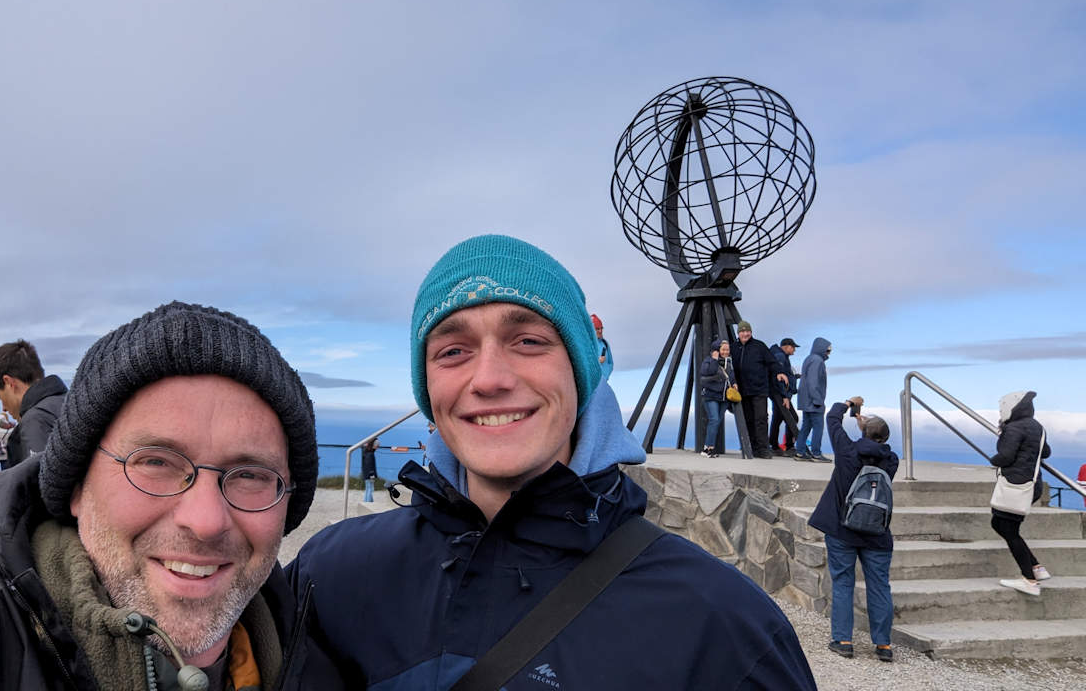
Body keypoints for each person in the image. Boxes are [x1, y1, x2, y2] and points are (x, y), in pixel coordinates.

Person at [290, 235, 816, 689]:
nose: (490, 378)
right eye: (453, 350)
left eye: (528, 341)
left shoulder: (723, 629)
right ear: (427, 386)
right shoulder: (331, 576)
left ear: (581, 369)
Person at [0, 301, 331, 690]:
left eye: (251, 475)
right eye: (154, 462)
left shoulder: (326, 653)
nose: (207, 519)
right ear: (77, 485)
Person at [807, 396, 898, 662]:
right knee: (880, 586)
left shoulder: (847, 451)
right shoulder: (891, 461)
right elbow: (876, 447)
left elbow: (832, 419)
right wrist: (868, 428)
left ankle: (843, 640)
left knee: (843, 583)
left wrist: (848, 404)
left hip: (841, 529)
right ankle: (883, 645)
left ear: (864, 432)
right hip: (877, 533)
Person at [991, 390, 1053, 596]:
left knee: (1008, 530)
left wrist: (995, 459)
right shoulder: (1037, 427)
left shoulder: (1014, 427)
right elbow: (1046, 452)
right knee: (999, 524)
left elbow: (1006, 456)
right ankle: (1036, 567)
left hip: (1016, 485)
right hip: (1031, 485)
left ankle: (1030, 580)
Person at [0, 339, 68, 469]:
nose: (4, 408)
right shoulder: (67, 403)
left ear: (9, 383)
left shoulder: (36, 420)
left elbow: (39, 483)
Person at [730, 320, 790, 459]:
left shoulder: (759, 346)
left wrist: (779, 372)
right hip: (743, 391)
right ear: (738, 333)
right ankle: (752, 447)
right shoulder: (734, 348)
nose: (745, 334)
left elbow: (772, 362)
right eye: (742, 331)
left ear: (751, 332)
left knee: (761, 419)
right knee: (748, 420)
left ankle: (763, 449)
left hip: (759, 390)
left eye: (747, 331)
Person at [795, 337, 833, 463]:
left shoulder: (809, 359)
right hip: (813, 401)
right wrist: (818, 400)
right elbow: (813, 382)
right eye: (827, 350)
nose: (828, 353)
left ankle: (800, 452)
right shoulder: (818, 361)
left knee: (806, 426)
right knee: (818, 427)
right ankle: (816, 453)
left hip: (806, 401)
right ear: (822, 349)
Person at [698, 339, 737, 457]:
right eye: (723, 349)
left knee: (716, 422)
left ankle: (709, 447)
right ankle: (708, 448)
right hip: (711, 396)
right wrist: (714, 359)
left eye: (727, 349)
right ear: (716, 350)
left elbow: (731, 376)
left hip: (724, 397)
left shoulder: (728, 362)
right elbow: (707, 372)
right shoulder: (709, 361)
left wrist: (734, 383)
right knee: (714, 420)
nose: (726, 352)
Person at [769, 338, 801, 457]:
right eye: (793, 347)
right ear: (786, 346)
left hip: (778, 393)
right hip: (780, 394)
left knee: (777, 419)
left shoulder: (780, 356)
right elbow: (779, 377)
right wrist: (785, 396)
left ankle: (774, 445)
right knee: (793, 417)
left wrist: (794, 377)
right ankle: (789, 446)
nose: (794, 350)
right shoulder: (780, 357)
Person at [590, 312, 614, 380]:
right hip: (593, 385)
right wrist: (598, 362)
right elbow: (584, 367)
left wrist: (606, 375)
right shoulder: (588, 345)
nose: (600, 331)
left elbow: (611, 363)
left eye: (601, 328)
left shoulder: (605, 343)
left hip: (604, 383)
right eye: (597, 329)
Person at [360, 436, 379, 502]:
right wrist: (372, 476)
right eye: (377, 445)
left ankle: (368, 501)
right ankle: (368, 502)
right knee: (370, 488)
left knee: (368, 488)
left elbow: (362, 446)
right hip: (369, 474)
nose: (377, 447)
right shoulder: (370, 454)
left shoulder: (365, 452)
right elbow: (370, 466)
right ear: (373, 445)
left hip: (365, 473)